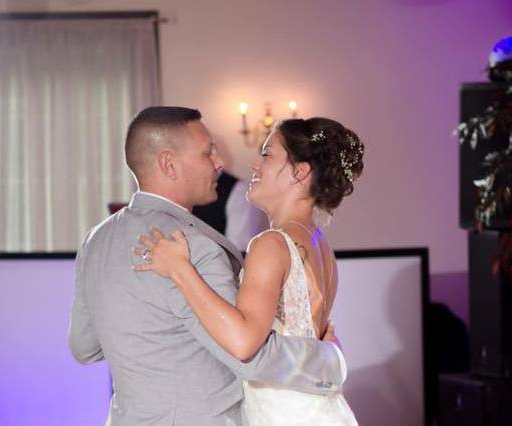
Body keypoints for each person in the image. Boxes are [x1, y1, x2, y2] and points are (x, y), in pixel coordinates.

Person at [68, 107, 347, 426]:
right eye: (207, 153)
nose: (220, 162)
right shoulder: (193, 246)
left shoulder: (96, 240)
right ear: (168, 164)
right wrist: (331, 361)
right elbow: (248, 357)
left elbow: (83, 348)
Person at [133, 117, 364, 425]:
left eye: (267, 155)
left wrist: (180, 270)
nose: (255, 167)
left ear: (300, 172)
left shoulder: (271, 243)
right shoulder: (320, 244)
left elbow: (243, 343)